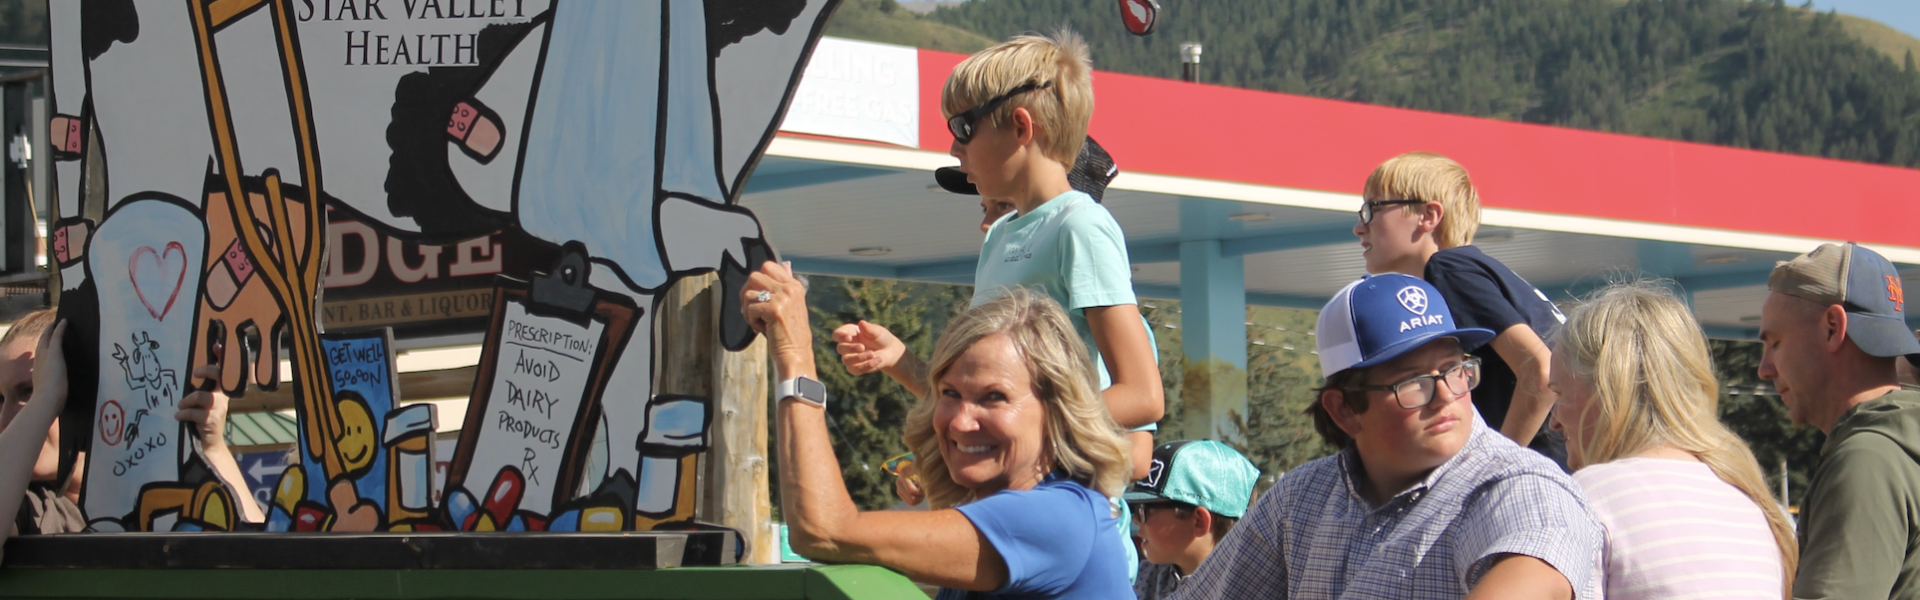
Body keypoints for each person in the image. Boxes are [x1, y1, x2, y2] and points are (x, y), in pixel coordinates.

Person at [831, 30, 1164, 481]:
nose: (954, 148)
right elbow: (983, 398)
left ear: (1022, 128)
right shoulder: (1001, 236)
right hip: (1007, 497)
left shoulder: (1081, 226)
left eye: (963, 128)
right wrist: (901, 361)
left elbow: (1143, 396)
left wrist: (1020, 427)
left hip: (1064, 506)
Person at [1177, 273, 1602, 599]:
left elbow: (1536, 581)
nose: (1446, 396)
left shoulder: (1518, 485)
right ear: (1343, 408)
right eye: (1413, 382)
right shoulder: (1302, 498)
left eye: (1454, 369)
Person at [746, 264, 1133, 599]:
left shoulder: (1055, 517)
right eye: (950, 394)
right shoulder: (1005, 514)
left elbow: (825, 531)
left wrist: (794, 354)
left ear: (1058, 411)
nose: (962, 422)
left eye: (994, 397)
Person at [1548, 281, 1796, 599]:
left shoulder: (1588, 496)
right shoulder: (1758, 505)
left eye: (1559, 394)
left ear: (1607, 391)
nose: (1554, 421)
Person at [1353, 152, 1568, 468]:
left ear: (1428, 216)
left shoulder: (1450, 269)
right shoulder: (1471, 269)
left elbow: (1541, 370)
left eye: (1372, 209)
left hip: (1546, 466)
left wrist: (1493, 466)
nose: (1359, 227)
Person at [0, 309, 261, 557]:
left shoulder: (166, 493)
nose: (4, 419)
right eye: (0, 399)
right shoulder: (28, 506)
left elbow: (262, 563)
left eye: (28, 391)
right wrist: (45, 398)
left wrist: (211, 447)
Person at [1755, 242, 1920, 599]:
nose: (1764, 369)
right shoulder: (1902, 445)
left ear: (1833, 328)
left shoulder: (1868, 460)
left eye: (1775, 342)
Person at [1123, 440, 1258, 600]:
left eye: (1144, 510)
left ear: (1199, 522)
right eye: (1134, 508)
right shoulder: (1146, 576)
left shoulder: (1252, 589)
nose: (1135, 520)